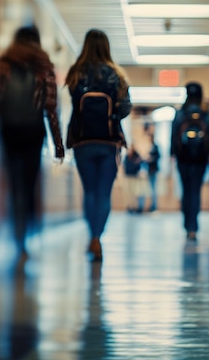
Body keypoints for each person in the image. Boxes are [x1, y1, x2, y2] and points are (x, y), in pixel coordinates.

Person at [0, 25, 64, 267]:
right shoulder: (43, 66)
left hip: (8, 131)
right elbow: (50, 108)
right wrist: (58, 144)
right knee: (29, 184)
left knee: (14, 184)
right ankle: (24, 241)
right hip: (33, 132)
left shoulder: (4, 63)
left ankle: (17, 235)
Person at [65, 29, 131, 262]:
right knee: (104, 193)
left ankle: (92, 237)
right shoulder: (116, 75)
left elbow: (74, 105)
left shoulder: (76, 73)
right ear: (106, 47)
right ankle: (97, 238)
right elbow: (124, 109)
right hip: (109, 141)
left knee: (90, 191)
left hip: (83, 141)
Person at [171, 82, 209, 241]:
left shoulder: (180, 114)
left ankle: (187, 225)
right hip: (200, 158)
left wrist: (172, 153)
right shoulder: (207, 114)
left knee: (186, 190)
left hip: (183, 158)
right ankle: (193, 227)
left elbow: (174, 134)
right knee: (195, 191)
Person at [123, 146, 145, 213]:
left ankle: (135, 206)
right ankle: (130, 206)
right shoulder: (127, 157)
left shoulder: (136, 156)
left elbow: (140, 163)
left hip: (134, 176)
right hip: (129, 176)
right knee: (129, 193)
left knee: (135, 193)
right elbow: (126, 166)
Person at [146, 134, 160, 212]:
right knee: (151, 189)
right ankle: (152, 205)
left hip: (154, 170)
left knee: (154, 189)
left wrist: (150, 159)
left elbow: (158, 157)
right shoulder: (150, 147)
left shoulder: (155, 147)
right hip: (150, 170)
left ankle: (154, 206)